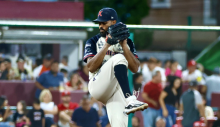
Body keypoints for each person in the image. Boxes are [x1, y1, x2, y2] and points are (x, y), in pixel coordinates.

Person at [83, 7, 148, 126]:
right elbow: (91, 67)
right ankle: (131, 99)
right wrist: (106, 45)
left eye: (104, 23)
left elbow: (135, 68)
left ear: (113, 22)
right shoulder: (93, 41)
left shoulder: (127, 42)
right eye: (99, 23)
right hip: (97, 84)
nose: (100, 26)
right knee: (119, 58)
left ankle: (129, 101)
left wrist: (124, 46)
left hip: (116, 89)